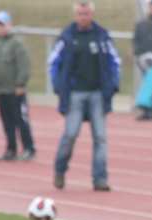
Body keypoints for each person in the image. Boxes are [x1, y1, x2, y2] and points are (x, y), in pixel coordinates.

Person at [48, 1, 120, 191]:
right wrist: (58, 86)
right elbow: (53, 62)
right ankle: (60, 169)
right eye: (80, 14)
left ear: (92, 14)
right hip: (75, 94)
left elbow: (114, 61)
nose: (83, 17)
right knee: (70, 134)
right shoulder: (67, 37)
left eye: (86, 13)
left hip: (97, 93)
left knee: (100, 137)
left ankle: (100, 178)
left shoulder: (102, 36)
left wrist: (113, 85)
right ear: (75, 15)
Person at [0, 10, 35, 162]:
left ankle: (29, 148)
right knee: (7, 122)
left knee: (21, 120)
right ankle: (11, 149)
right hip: (1, 90)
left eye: (2, 24)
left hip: (15, 90)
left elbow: (24, 65)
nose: (0, 27)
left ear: (9, 25)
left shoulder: (16, 44)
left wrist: (21, 84)